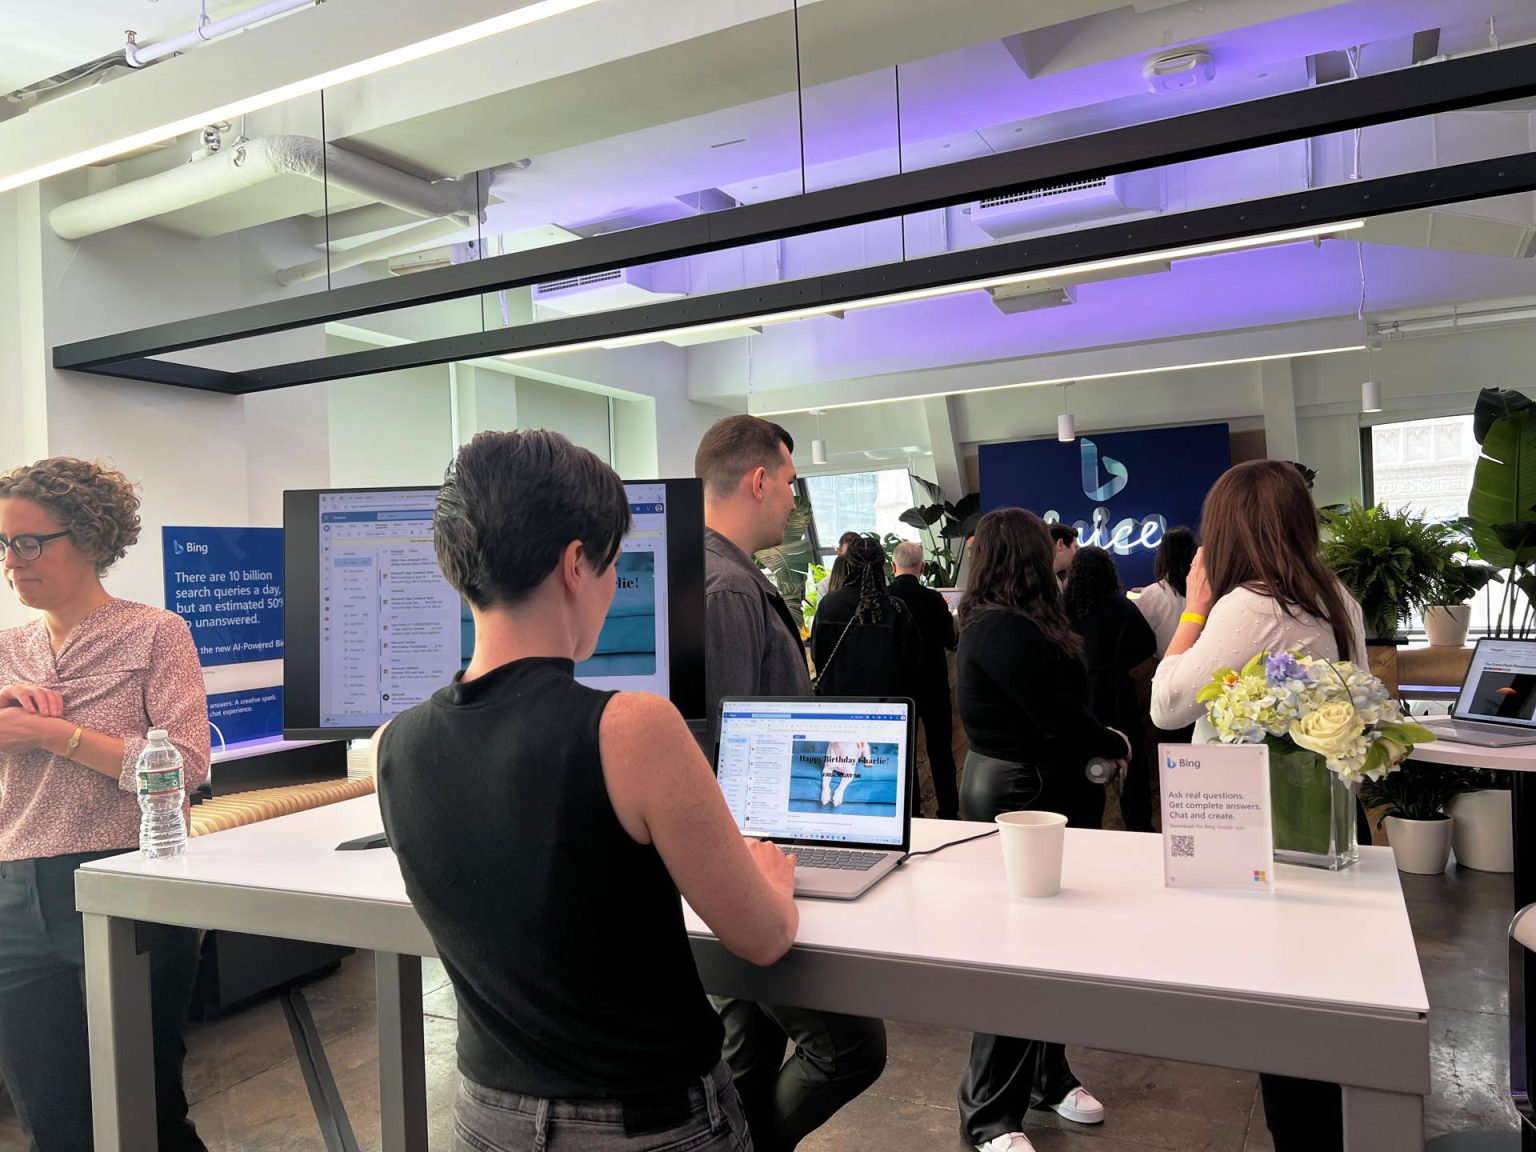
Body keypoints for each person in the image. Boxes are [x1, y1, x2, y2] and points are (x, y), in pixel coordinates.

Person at [376, 430, 798, 1152]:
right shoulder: (632, 729)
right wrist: (768, 879)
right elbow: (761, 938)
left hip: (486, 1121)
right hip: (650, 1124)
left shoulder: (395, 744)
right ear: (577, 564)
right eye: (614, 567)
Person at [1149, 459, 1366, 1152]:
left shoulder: (1250, 605)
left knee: (1287, 1028)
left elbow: (1166, 703)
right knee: (1324, 1014)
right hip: (1325, 821)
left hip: (1265, 830)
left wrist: (1193, 605)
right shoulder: (1336, 596)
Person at [0, 457, 209, 1152]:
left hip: (128, 881)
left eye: (29, 543)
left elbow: (185, 767)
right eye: (3, 544)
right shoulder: (6, 650)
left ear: (89, 538)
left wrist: (57, 735)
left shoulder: (156, 634)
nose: (13, 561)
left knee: (144, 1113)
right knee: (52, 1124)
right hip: (12, 896)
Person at [696, 414, 887, 1152]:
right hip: (745, 866)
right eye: (790, 484)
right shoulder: (728, 593)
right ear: (759, 480)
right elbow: (719, 753)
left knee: (746, 1049)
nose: (793, 503)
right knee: (848, 1047)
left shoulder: (726, 579)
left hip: (751, 861)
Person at [954, 508, 1130, 1152]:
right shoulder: (1005, 630)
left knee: (1049, 953)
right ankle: (988, 1115)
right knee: (1017, 956)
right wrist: (1111, 738)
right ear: (1027, 556)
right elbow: (1057, 717)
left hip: (1029, 791)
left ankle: (1045, 1077)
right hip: (1022, 795)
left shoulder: (1004, 623)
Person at [1063, 547, 1158, 832]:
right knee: (1131, 766)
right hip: (1117, 693)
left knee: (1079, 767)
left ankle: (1085, 830)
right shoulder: (1121, 606)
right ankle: (1138, 828)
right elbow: (1147, 645)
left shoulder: (1060, 608)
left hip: (1078, 696)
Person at [887, 540, 960, 819]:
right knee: (941, 752)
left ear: (893, 566)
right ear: (922, 567)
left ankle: (913, 814)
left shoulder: (883, 598)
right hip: (933, 685)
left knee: (905, 753)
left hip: (899, 687)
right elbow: (949, 639)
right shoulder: (933, 599)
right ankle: (949, 812)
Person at [809, 536, 922, 701]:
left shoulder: (828, 604)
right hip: (886, 706)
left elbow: (816, 654)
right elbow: (913, 658)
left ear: (848, 565)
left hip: (837, 701)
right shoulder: (895, 608)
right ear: (882, 567)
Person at [1133, 526, 1198, 657]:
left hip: (1167, 668)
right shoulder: (1210, 592)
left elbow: (1138, 642)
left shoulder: (1150, 596)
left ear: (1162, 555)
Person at [814, 531, 862, 599]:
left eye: (854, 556)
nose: (850, 561)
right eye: (847, 556)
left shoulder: (871, 582)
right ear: (838, 553)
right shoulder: (826, 585)